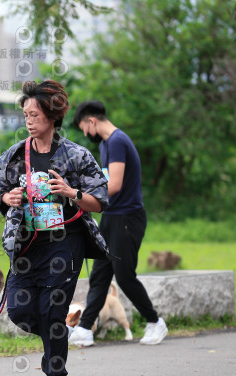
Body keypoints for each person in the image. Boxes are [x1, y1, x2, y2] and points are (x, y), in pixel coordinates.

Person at [0, 81, 110, 376]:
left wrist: (71, 193)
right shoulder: (15, 155)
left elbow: (100, 201)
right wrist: (10, 197)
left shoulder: (75, 155)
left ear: (51, 116)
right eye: (26, 114)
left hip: (65, 243)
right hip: (27, 244)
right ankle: (57, 329)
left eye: (34, 114)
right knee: (19, 310)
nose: (29, 120)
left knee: (51, 310)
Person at [70, 100, 168, 346]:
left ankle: (155, 322)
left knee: (124, 276)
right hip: (112, 216)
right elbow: (105, 182)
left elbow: (114, 185)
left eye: (84, 128)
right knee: (101, 274)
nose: (85, 134)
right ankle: (84, 329)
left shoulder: (117, 141)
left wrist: (80, 194)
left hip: (127, 217)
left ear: (92, 121)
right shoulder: (106, 143)